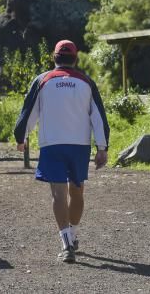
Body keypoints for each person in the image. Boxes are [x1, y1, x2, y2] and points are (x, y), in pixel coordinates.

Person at [14, 39, 110, 264]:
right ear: (75, 58)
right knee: (77, 192)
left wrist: (22, 137)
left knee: (58, 194)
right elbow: (98, 116)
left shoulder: (43, 80)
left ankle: (66, 243)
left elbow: (29, 111)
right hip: (79, 146)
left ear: (54, 57)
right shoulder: (86, 81)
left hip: (52, 144)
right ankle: (73, 234)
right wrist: (102, 148)